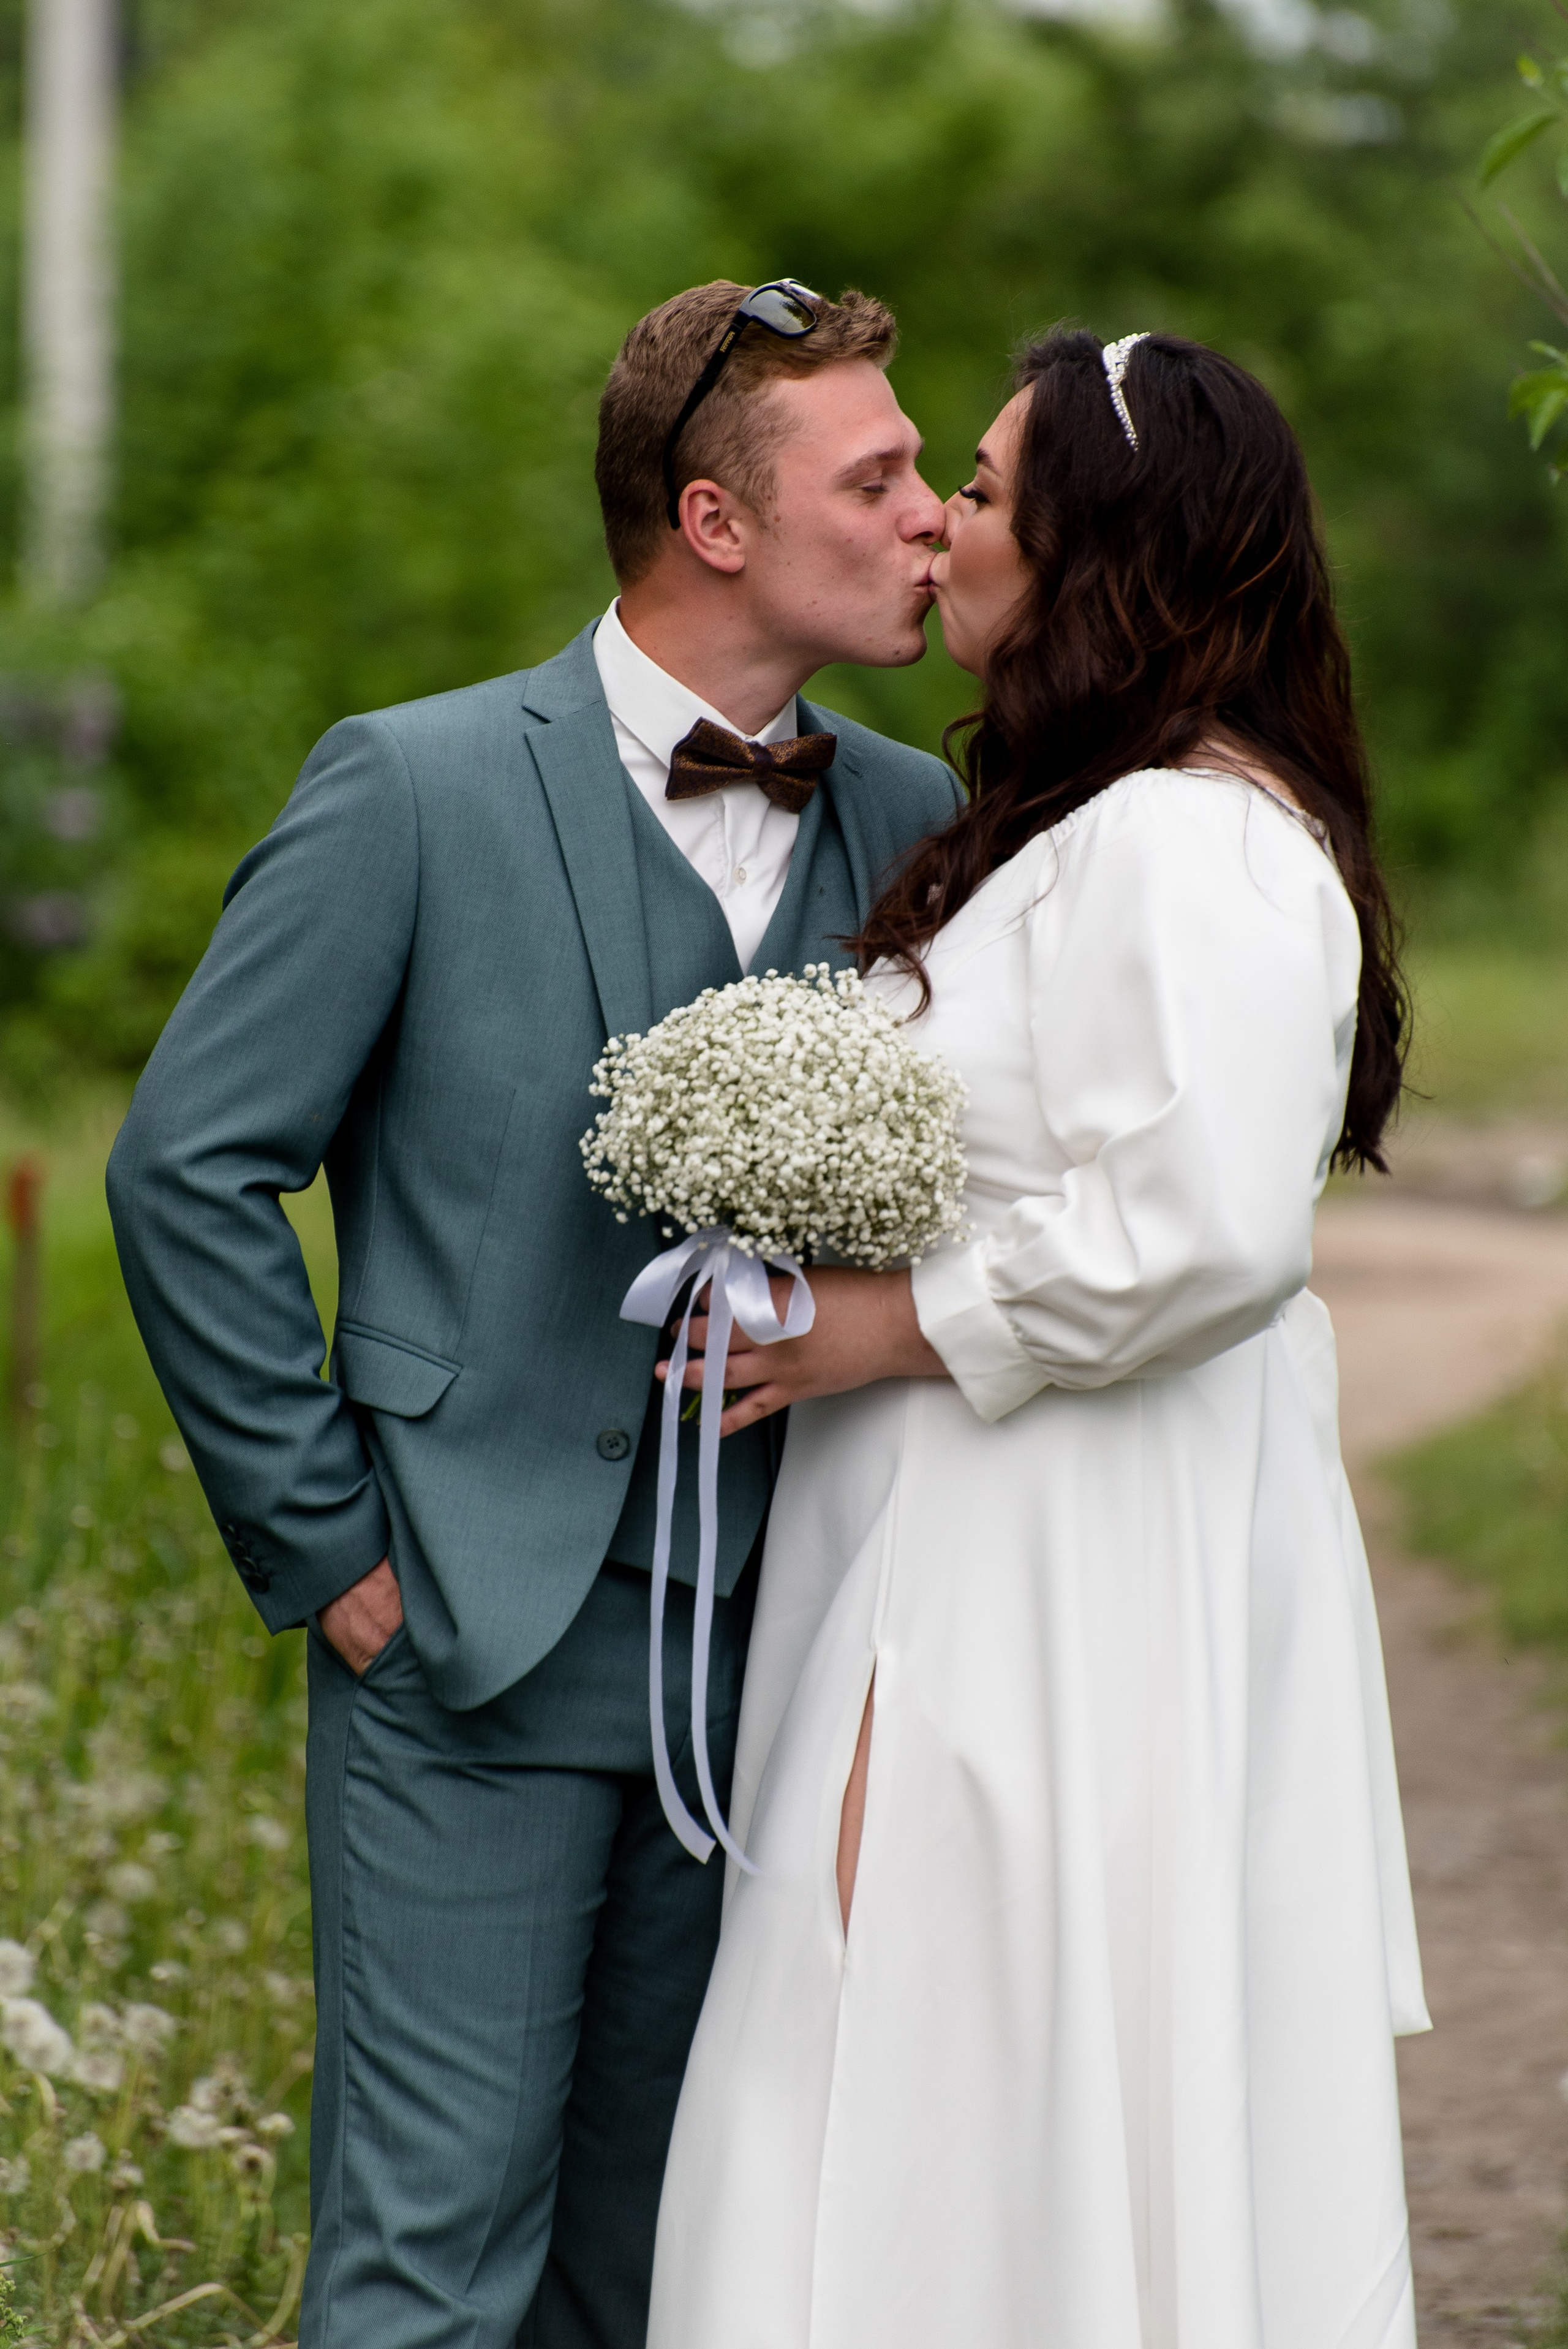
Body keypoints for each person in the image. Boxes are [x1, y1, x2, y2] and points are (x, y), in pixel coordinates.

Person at [105, 278, 956, 2349]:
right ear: (716, 520)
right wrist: (331, 1549)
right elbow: (189, 1165)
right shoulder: (410, 787)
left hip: (786, 1660)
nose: (933, 514)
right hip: (467, 1639)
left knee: (677, 2271)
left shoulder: (920, 822)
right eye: (879, 477)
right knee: (427, 2268)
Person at [648, 328, 1430, 2349]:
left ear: (1102, 549)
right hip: (980, 1526)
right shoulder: (1093, 820)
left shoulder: (1197, 841)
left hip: (1054, 1561)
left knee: (927, 2048)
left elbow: (1212, 1224)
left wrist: (891, 1324)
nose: (938, 523)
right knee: (915, 2051)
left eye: (984, 491)